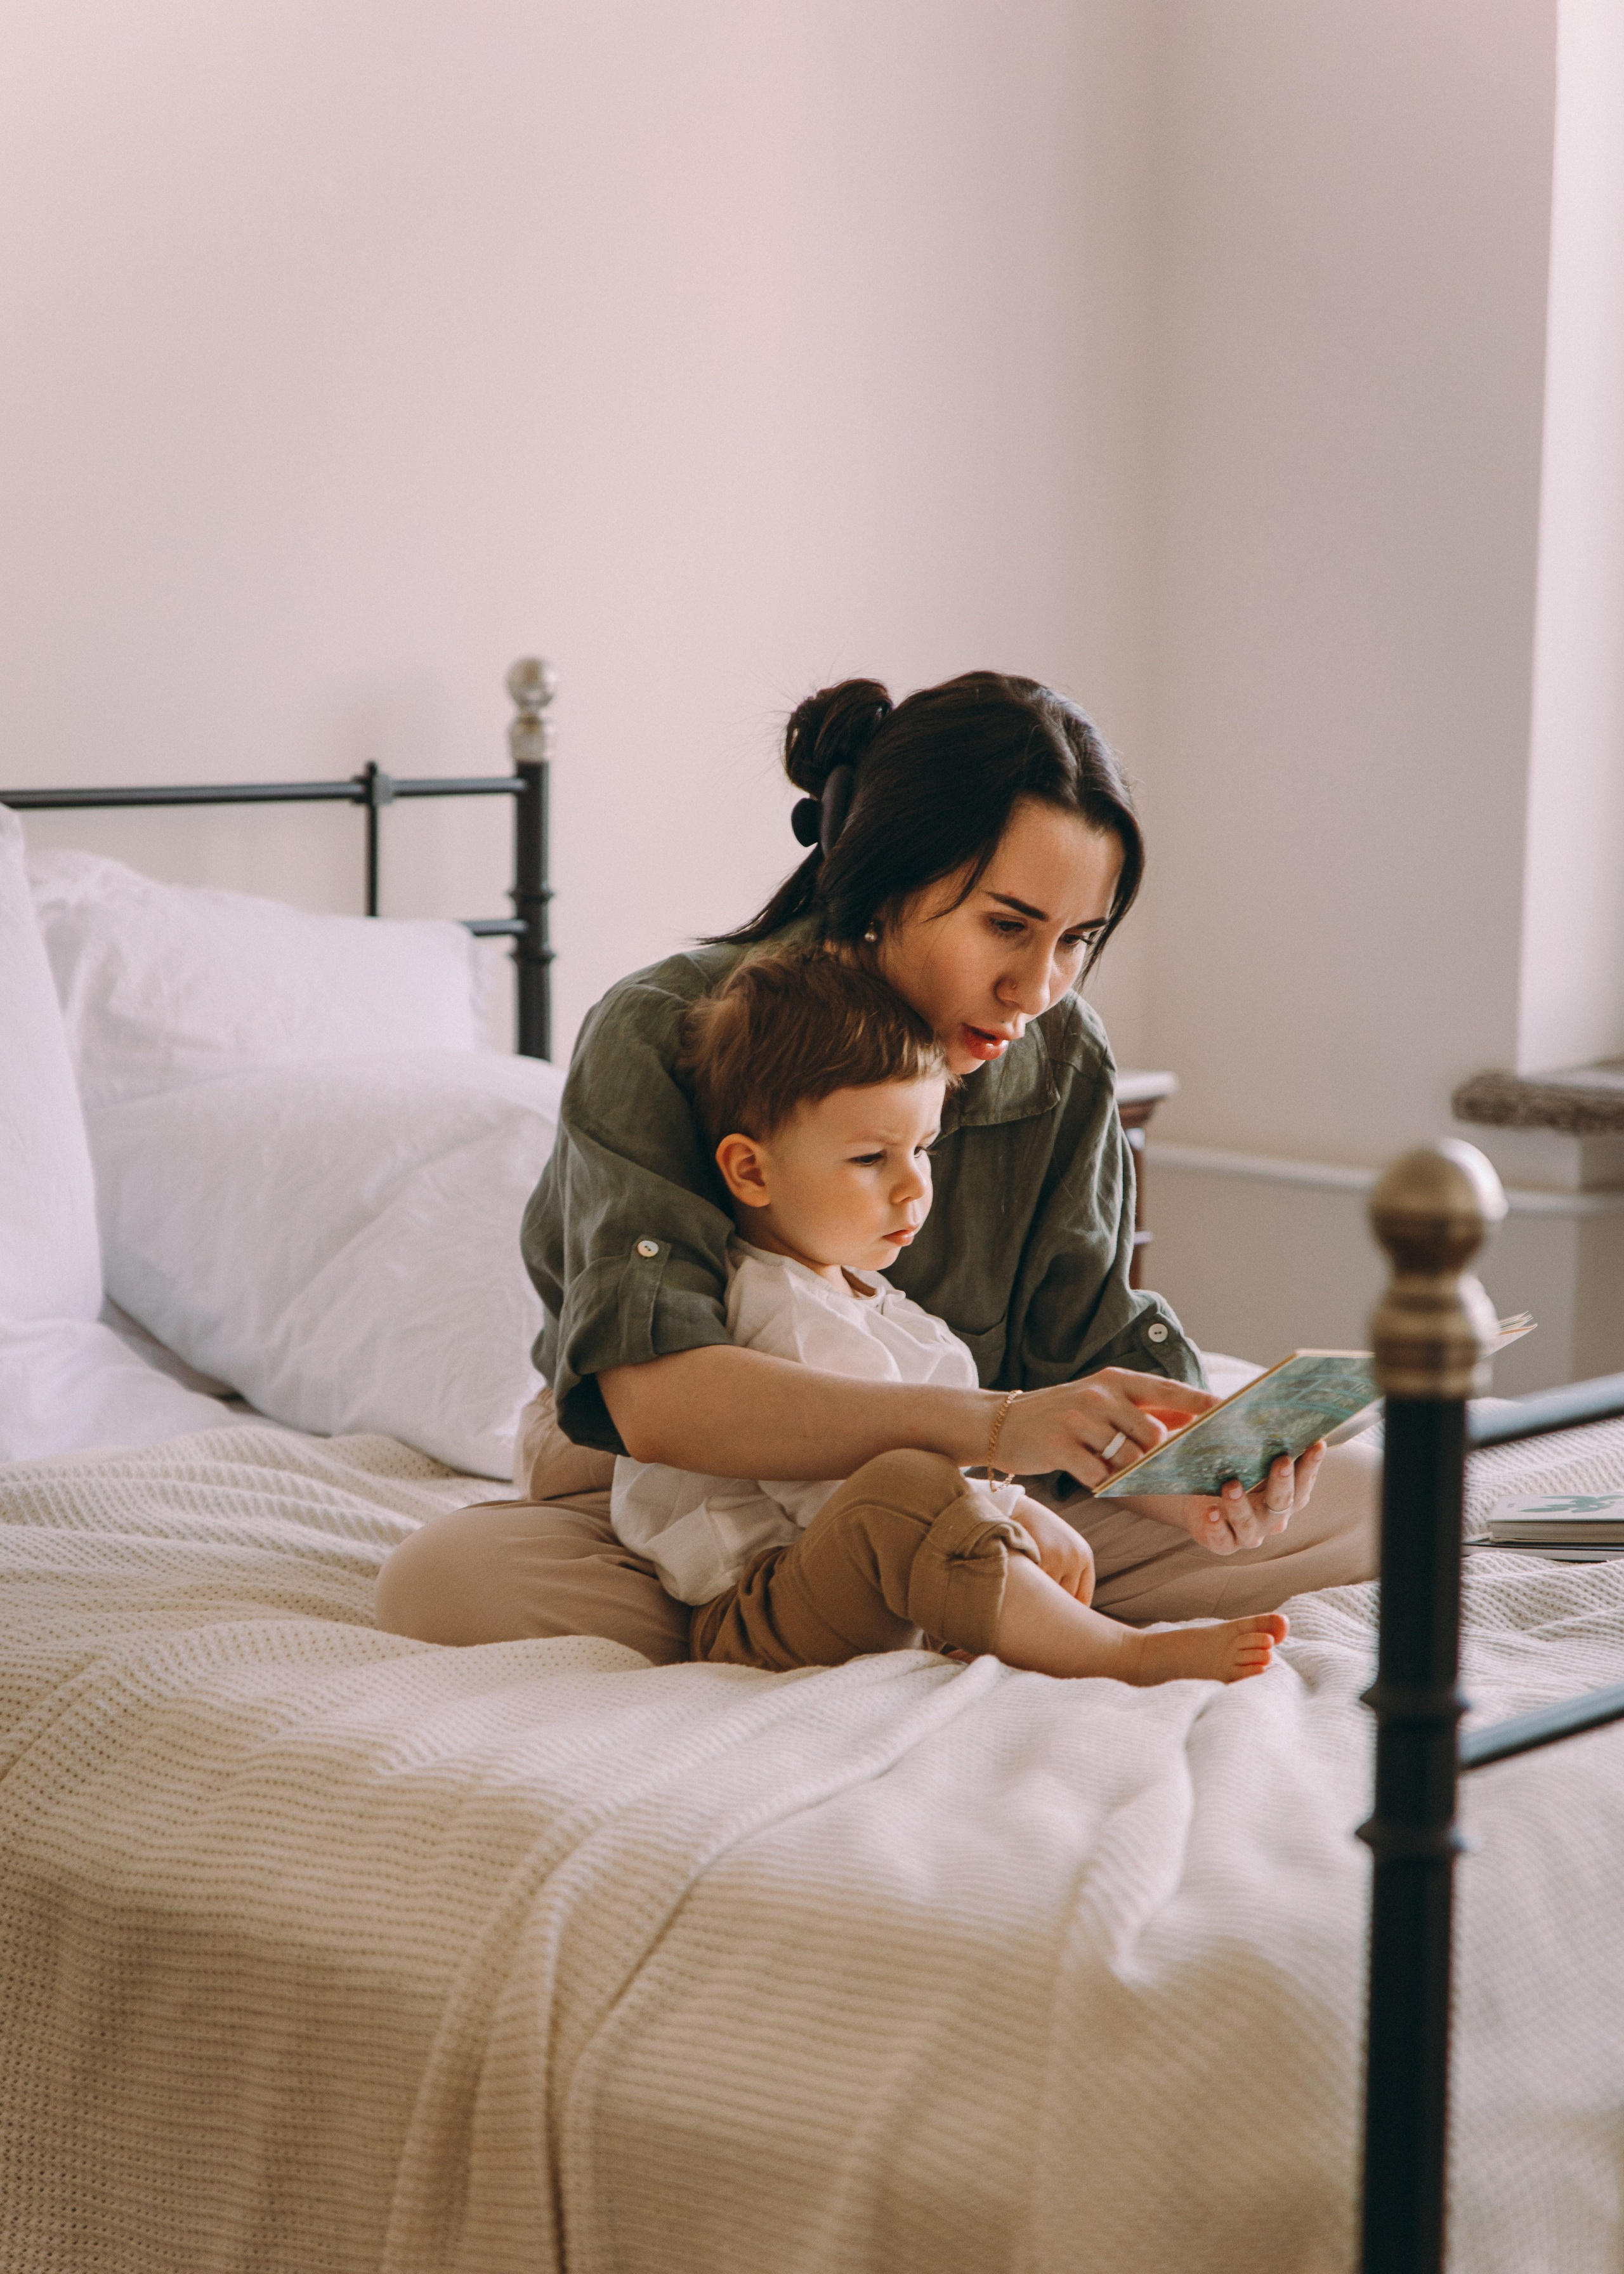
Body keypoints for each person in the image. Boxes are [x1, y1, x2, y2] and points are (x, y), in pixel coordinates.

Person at [375, 670, 1377, 1657]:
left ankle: (927, 1589)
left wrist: (1197, 1492)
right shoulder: (667, 1029)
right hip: (688, 1496)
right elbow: (657, 1403)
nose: (1037, 987)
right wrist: (999, 1429)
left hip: (981, 1482)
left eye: (1076, 939)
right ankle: (872, 1597)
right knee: (445, 1582)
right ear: (891, 879)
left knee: (1374, 1503)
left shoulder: (1062, 1054)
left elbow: (1079, 1369)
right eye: (1007, 926)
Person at [615, 944, 1288, 1684]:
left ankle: (994, 1622)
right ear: (751, 1170)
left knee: (928, 1492)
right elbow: (854, 1488)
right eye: (870, 1158)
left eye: (923, 1148)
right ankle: (1121, 1653)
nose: (913, 1187)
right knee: (902, 1484)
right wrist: (1012, 1510)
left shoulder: (859, 1290)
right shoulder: (776, 1308)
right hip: (759, 1611)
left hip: (858, 1579)